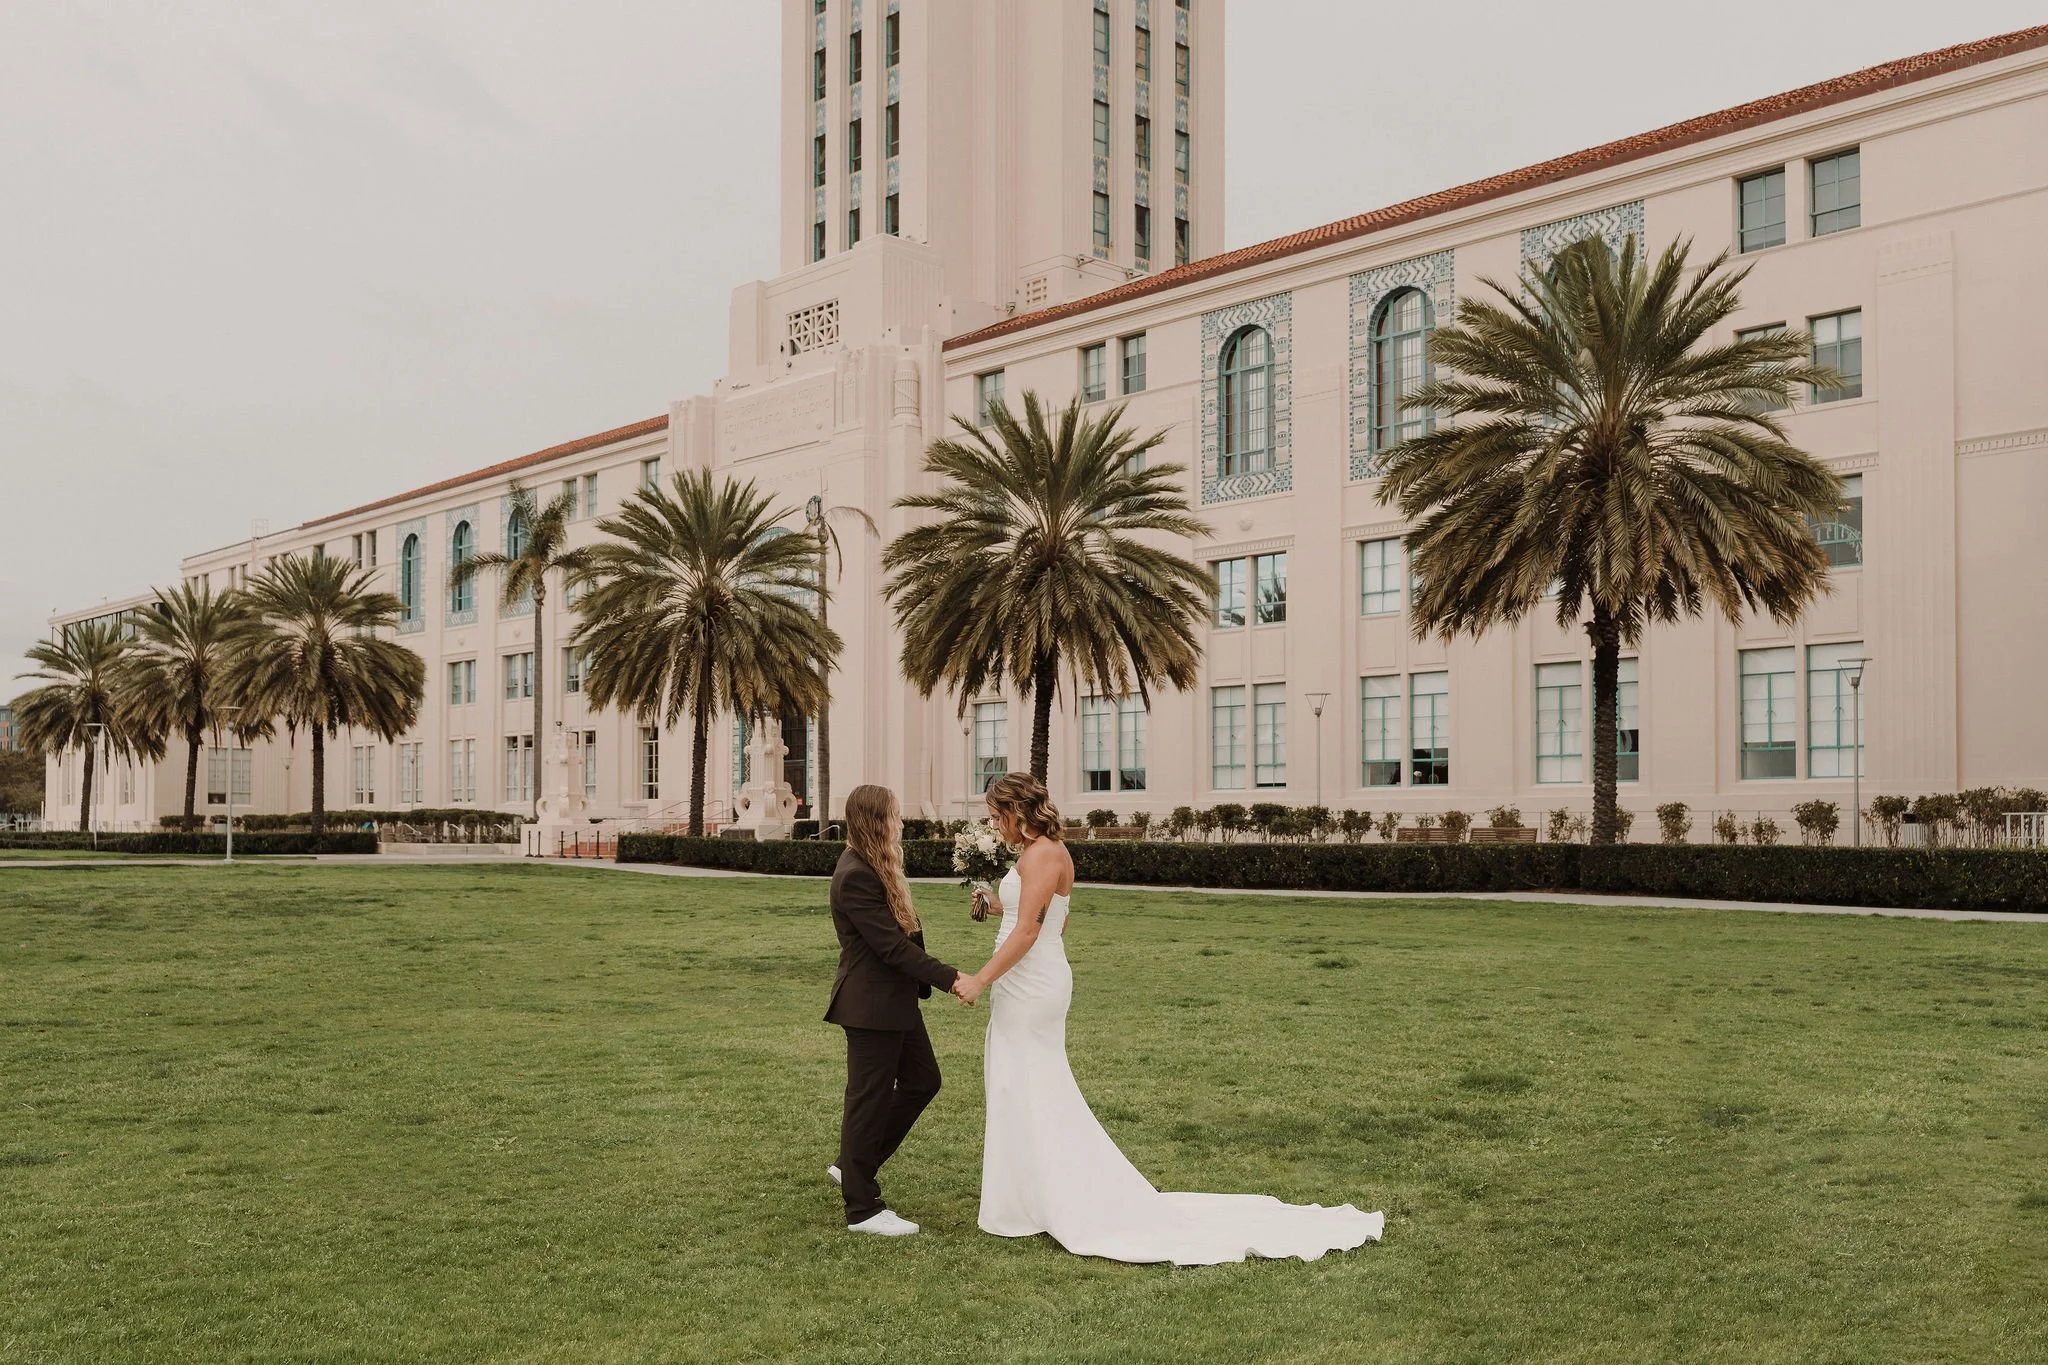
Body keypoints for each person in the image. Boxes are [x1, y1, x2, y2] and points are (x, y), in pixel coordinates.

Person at [954, 772, 1385, 1265]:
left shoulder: (1044, 855)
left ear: (1016, 811)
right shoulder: (1046, 853)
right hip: (1030, 980)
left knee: (1032, 1086)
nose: (995, 825)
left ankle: (1053, 1196)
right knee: (1019, 1085)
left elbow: (1032, 932)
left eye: (997, 816)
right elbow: (1051, 920)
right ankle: (1029, 1196)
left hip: (1031, 985)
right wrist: (996, 907)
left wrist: (980, 979)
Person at [823, 784, 974, 1237]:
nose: (902, 822)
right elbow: (891, 948)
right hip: (870, 1007)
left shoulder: (876, 866)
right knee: (867, 1101)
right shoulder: (856, 874)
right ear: (876, 820)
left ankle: (853, 1164)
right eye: (895, 814)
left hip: (895, 1002)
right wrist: (951, 978)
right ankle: (862, 1209)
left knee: (923, 1081)